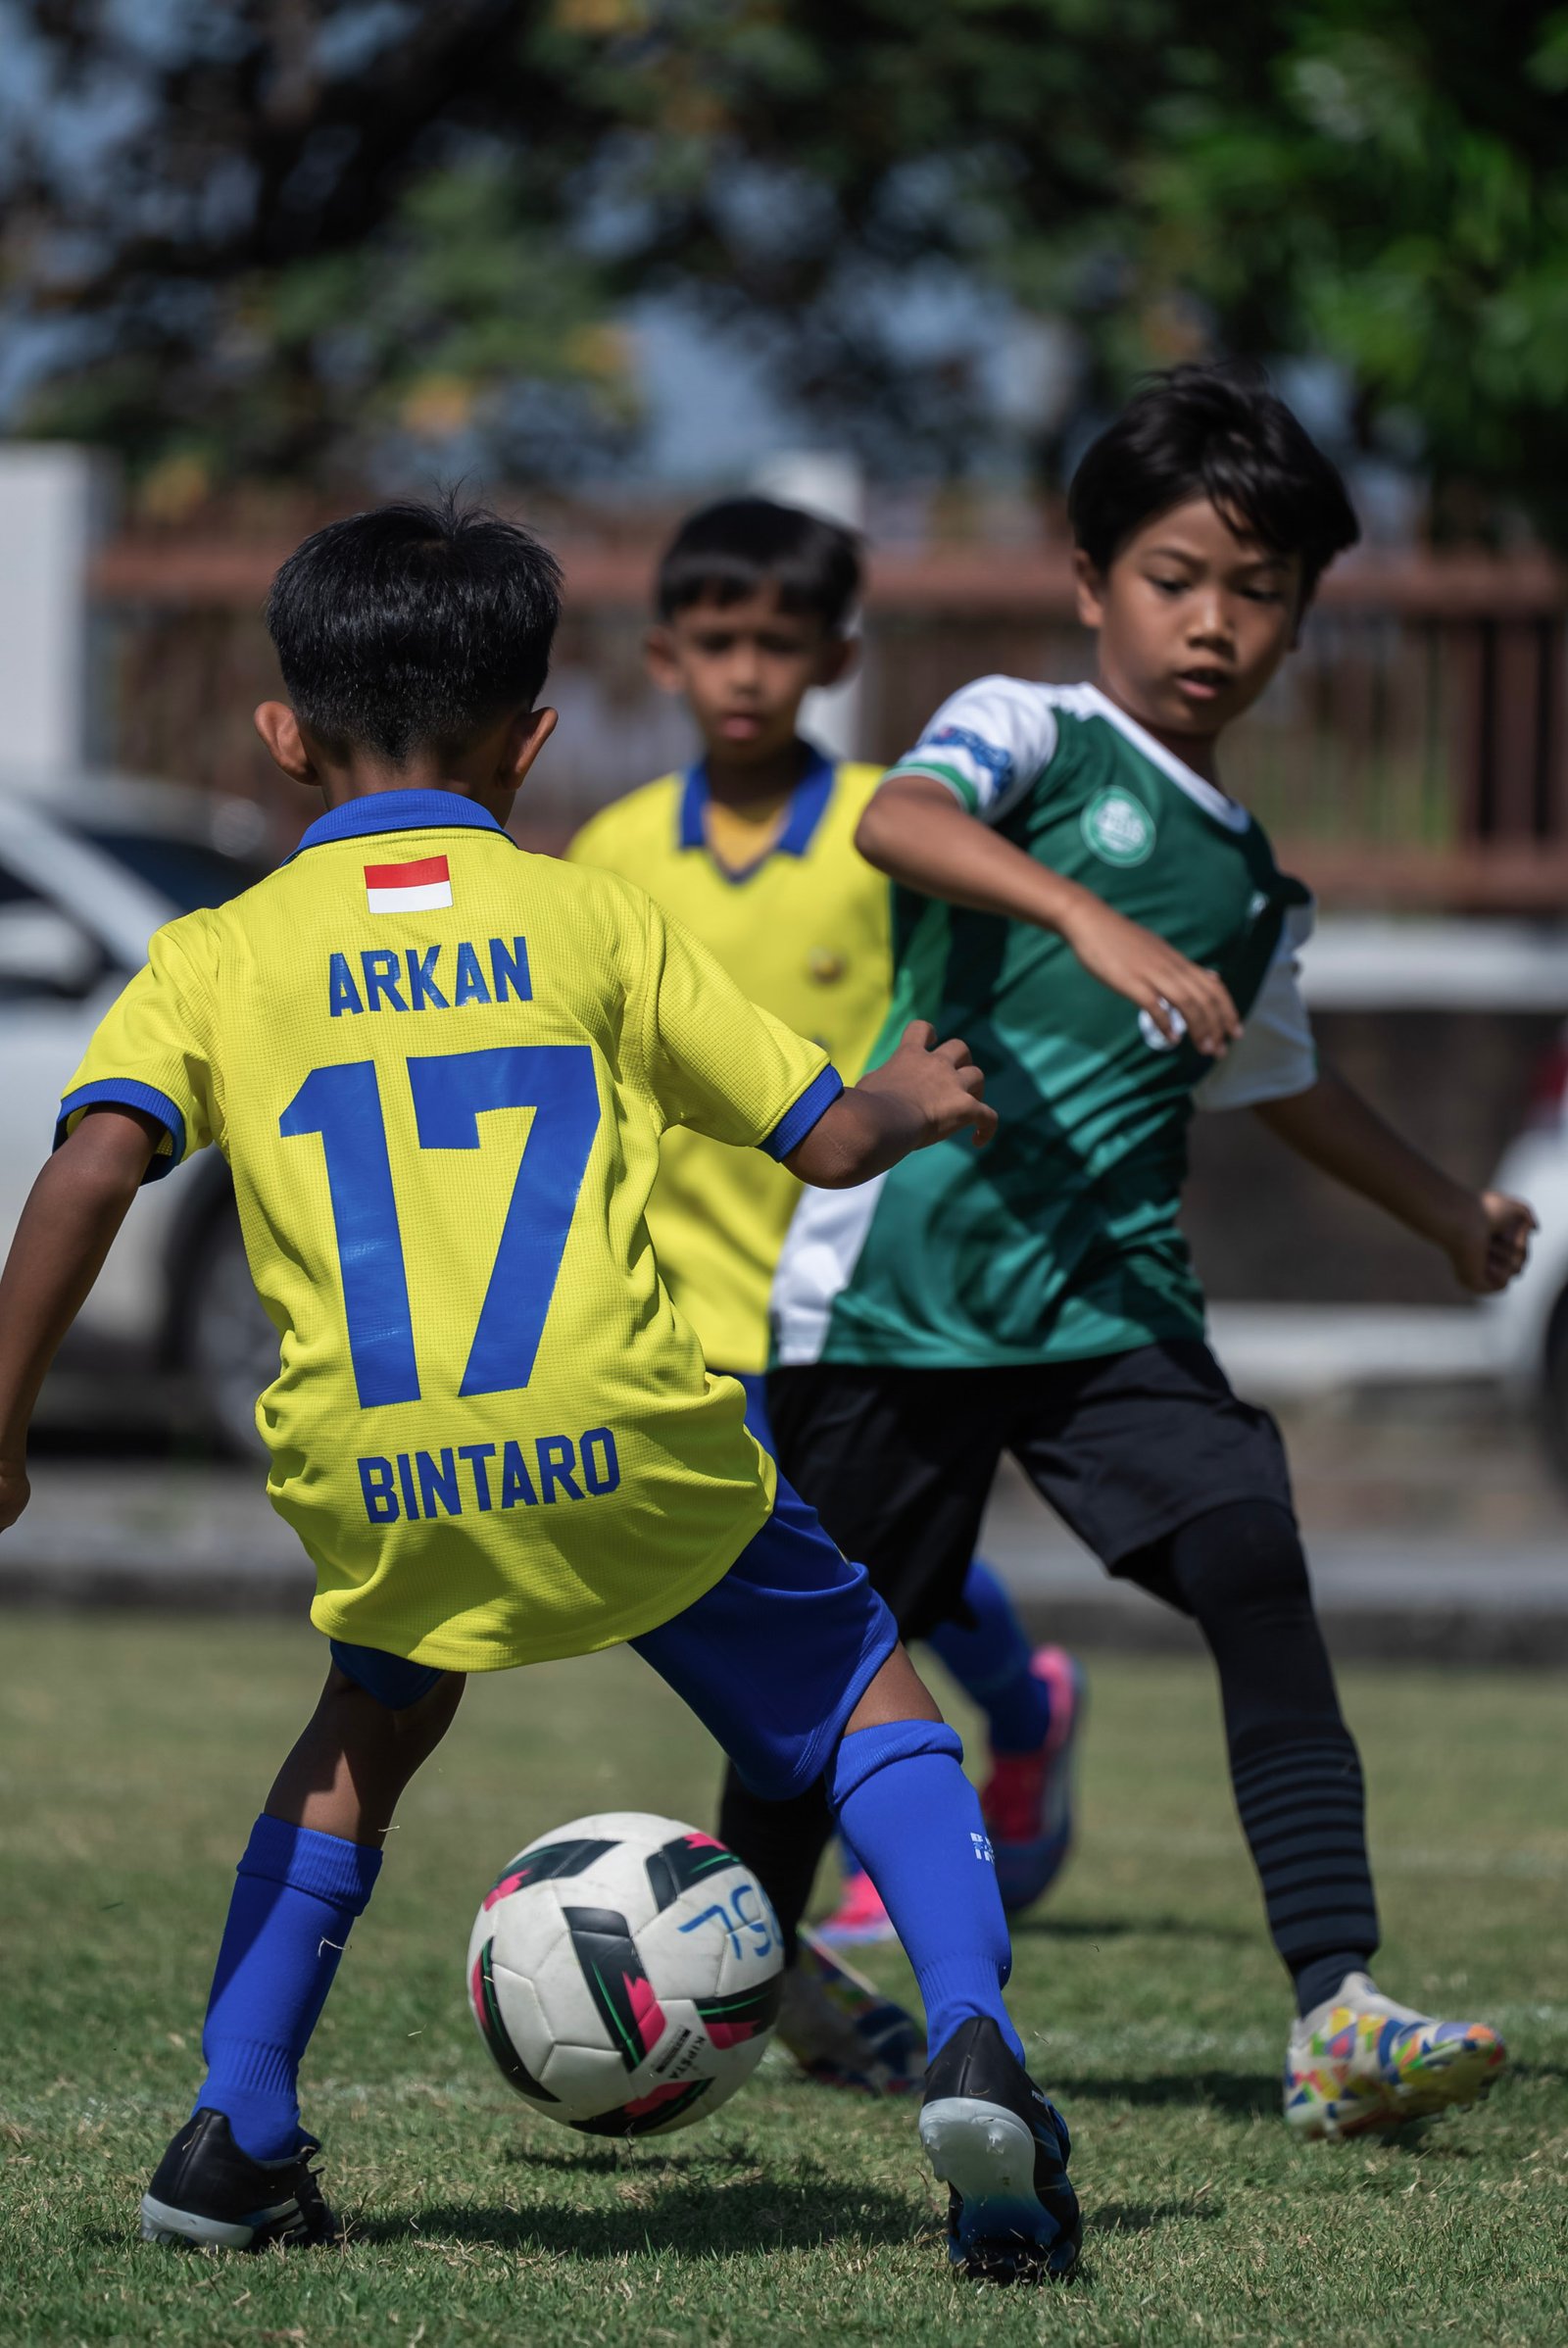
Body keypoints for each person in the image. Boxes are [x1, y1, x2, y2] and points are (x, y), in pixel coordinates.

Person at [0, 497, 1079, 2283]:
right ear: (532, 741)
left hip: (383, 1466)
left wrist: (4, 1428)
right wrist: (914, 1092)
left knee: (366, 1735)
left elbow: (92, 1169)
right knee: (862, 1689)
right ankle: (977, 2043)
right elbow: (825, 1141)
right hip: (627, 1431)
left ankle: (235, 2123)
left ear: (283, 737)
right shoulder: (592, 919)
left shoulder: (215, 951)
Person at [760, 366, 1534, 2142]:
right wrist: (1083, 914)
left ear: (1302, 622)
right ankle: (760, 1957)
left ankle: (1337, 2008)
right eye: (1176, 578)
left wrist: (1446, 1210)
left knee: (1256, 1560)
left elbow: (1284, 1078)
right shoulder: (1025, 730)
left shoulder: (1251, 882)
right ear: (1091, 580)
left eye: (1260, 593)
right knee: (821, 1664)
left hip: (1111, 1303)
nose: (1214, 625)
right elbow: (894, 819)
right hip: (901, 1293)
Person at [567, 495, 1084, 2093]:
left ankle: (951, 1773)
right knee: (813, 1592)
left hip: (853, 1289)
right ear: (665, 657)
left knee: (845, 1587)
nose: (746, 671)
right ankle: (983, 1734)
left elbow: (955, 1028)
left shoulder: (883, 832)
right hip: (674, 1308)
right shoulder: (610, 855)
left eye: (778, 643)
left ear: (835, 659)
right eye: (717, 641)